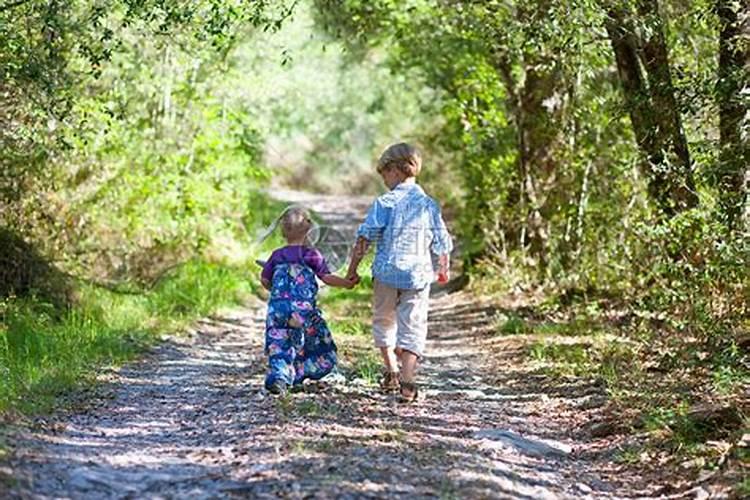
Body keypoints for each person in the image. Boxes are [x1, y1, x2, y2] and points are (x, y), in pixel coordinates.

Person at [346, 143, 453, 402]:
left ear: (395, 170)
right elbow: (442, 241)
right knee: (413, 324)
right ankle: (407, 380)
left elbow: (364, 238)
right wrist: (443, 268)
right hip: (417, 276)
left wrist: (352, 271)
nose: (384, 181)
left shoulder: (385, 203)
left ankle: (391, 371)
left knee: (383, 320)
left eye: (384, 175)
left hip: (385, 273)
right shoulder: (428, 205)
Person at [260, 207, 357, 395]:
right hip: (302, 309)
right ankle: (299, 374)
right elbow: (326, 278)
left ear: (283, 231)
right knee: (308, 340)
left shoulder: (276, 255)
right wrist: (346, 283)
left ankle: (280, 377)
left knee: (279, 341)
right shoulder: (311, 255)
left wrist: (275, 291)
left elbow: (264, 280)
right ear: (309, 229)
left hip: (278, 308)